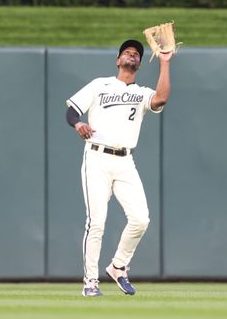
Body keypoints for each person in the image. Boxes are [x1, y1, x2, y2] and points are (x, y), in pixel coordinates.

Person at [65, 38, 173, 297]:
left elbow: (161, 99)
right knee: (97, 223)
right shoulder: (99, 85)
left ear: (139, 63)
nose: (132, 55)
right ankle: (90, 282)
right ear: (118, 60)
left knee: (140, 219)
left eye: (136, 54)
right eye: (127, 52)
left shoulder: (142, 93)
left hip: (125, 160)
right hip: (97, 158)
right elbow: (71, 111)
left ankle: (118, 266)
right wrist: (78, 124)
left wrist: (165, 63)